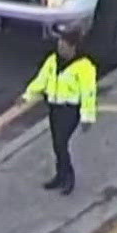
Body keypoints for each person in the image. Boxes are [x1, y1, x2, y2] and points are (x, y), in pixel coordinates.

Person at [22, 25, 99, 195]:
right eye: (60, 44)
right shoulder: (52, 60)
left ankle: (68, 177)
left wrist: (87, 116)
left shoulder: (84, 67)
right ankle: (60, 175)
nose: (60, 48)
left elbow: (89, 92)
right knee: (57, 144)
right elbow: (41, 80)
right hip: (54, 107)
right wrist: (27, 95)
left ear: (73, 47)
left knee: (61, 143)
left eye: (64, 45)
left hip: (70, 110)